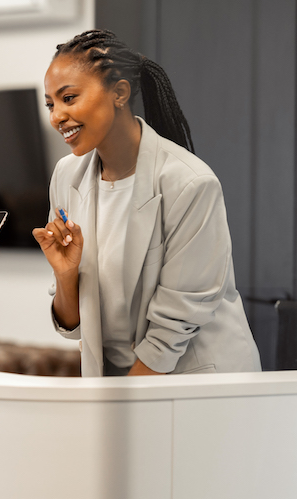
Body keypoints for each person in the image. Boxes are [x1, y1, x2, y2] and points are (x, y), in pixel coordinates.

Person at [33, 29, 261, 377]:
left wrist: (123, 410)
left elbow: (175, 325)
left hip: (198, 381)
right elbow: (75, 326)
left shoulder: (189, 183)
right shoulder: (67, 176)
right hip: (125, 384)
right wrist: (65, 276)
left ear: (119, 93)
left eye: (69, 98)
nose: (56, 116)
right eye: (51, 104)